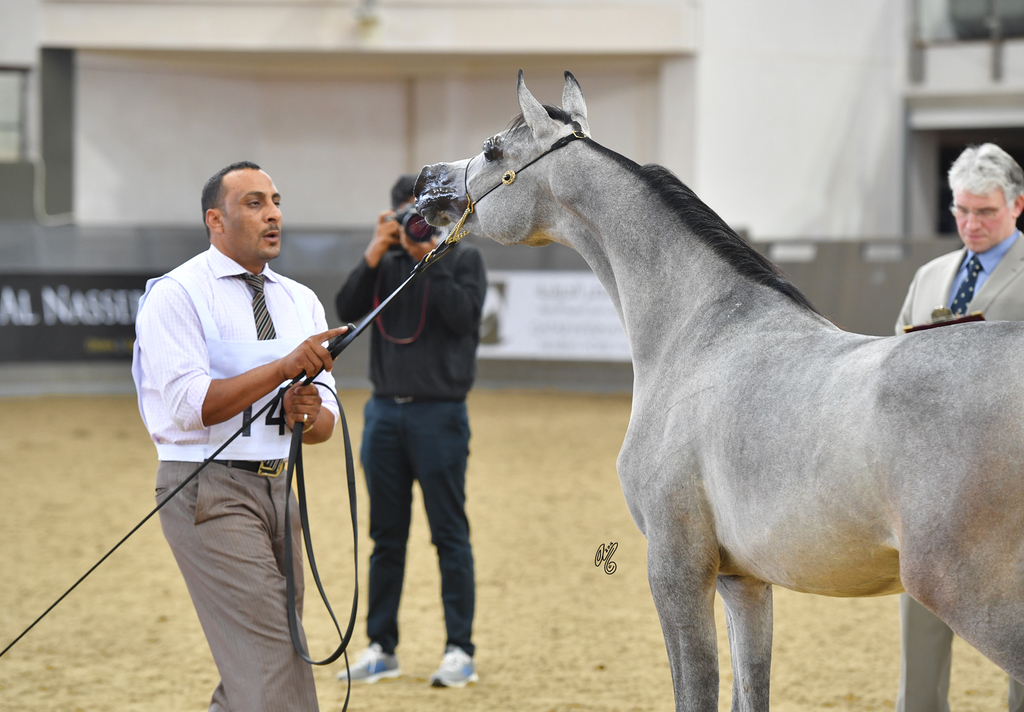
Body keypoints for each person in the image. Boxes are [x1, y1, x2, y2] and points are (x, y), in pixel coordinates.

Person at [132, 161, 347, 712]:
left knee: (263, 658)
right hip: (207, 490)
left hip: (281, 489)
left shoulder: (300, 300)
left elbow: (324, 424)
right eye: (253, 202)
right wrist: (282, 369)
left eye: (275, 200)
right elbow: (190, 407)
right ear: (216, 219)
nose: (272, 213)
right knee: (273, 657)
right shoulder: (177, 295)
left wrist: (307, 411)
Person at [335, 174, 486, 688]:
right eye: (405, 217)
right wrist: (375, 254)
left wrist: (430, 258)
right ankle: (381, 647)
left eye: (422, 216)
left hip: (439, 416)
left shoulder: (462, 259)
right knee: (385, 538)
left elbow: (464, 320)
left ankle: (459, 651)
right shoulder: (385, 265)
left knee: (449, 535)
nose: (414, 226)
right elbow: (346, 310)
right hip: (383, 415)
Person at [895, 143, 1024, 712]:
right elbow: (894, 362)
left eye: (986, 212)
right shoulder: (929, 277)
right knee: (923, 604)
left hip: (1013, 473)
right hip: (933, 478)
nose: (971, 224)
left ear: (1018, 205)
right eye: (962, 211)